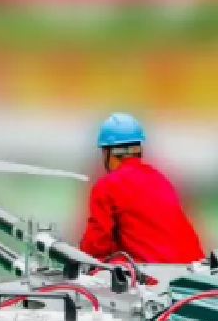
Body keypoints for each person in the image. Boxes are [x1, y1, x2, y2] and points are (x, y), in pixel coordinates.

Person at [77, 113, 204, 264]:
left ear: (107, 152)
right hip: (192, 269)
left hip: (155, 275)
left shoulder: (107, 186)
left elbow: (93, 249)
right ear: (139, 150)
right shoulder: (160, 179)